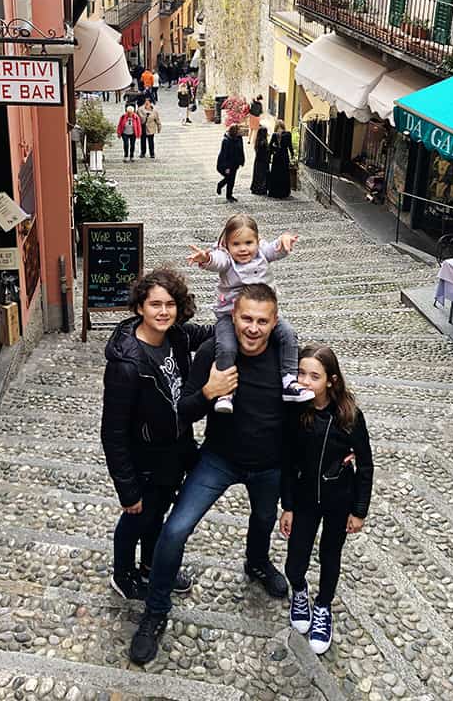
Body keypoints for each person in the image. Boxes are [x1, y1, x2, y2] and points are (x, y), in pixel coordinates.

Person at [129, 283, 291, 665]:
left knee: (264, 518)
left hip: (269, 464)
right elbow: (183, 410)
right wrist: (208, 391)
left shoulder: (287, 356)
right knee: (175, 530)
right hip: (218, 459)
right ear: (233, 317)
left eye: (262, 321)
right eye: (246, 319)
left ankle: (256, 562)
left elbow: (309, 411)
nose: (253, 328)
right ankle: (156, 610)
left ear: (275, 322)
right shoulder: (212, 353)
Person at [101, 268, 214, 601]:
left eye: (169, 304)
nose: (163, 312)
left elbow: (210, 332)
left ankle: (151, 566)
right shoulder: (126, 363)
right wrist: (126, 487)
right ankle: (122, 575)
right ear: (140, 308)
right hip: (143, 460)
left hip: (172, 452)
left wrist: (240, 306)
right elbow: (112, 431)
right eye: (155, 305)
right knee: (136, 517)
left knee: (157, 515)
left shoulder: (176, 336)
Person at [280, 343, 373, 655]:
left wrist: (359, 510)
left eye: (314, 376)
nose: (305, 381)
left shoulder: (349, 416)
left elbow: (365, 464)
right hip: (305, 500)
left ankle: (322, 607)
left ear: (331, 380)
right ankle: (300, 591)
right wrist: (287, 506)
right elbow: (288, 463)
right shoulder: (295, 411)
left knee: (330, 557)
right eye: (301, 373)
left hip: (338, 501)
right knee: (295, 563)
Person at [187, 212, 311, 414]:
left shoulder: (262, 252)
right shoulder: (226, 259)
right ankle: (226, 392)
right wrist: (206, 258)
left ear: (257, 241)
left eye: (248, 243)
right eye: (236, 244)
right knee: (226, 347)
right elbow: (216, 261)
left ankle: (289, 380)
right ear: (227, 244)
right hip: (230, 315)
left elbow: (275, 249)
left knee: (288, 334)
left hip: (263, 312)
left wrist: (284, 240)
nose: (243, 249)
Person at [216, 124, 245, 202]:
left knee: (232, 180)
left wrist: (242, 160)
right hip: (225, 163)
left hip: (235, 163)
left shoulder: (239, 138)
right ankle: (220, 185)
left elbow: (241, 149)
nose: (240, 131)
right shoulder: (226, 141)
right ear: (235, 132)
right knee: (229, 178)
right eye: (239, 130)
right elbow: (224, 155)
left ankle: (229, 195)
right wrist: (227, 167)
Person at [269, 119, 294, 199]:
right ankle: (284, 192)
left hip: (277, 157)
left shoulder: (274, 135)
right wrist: (292, 155)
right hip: (285, 156)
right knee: (284, 174)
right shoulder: (288, 134)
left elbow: (270, 147)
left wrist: (274, 150)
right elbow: (290, 146)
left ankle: (275, 192)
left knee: (276, 174)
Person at [250, 126, 270, 195]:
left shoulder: (258, 141)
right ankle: (260, 189)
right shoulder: (263, 142)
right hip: (262, 161)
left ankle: (256, 189)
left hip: (258, 161)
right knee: (261, 176)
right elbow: (264, 153)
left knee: (257, 176)